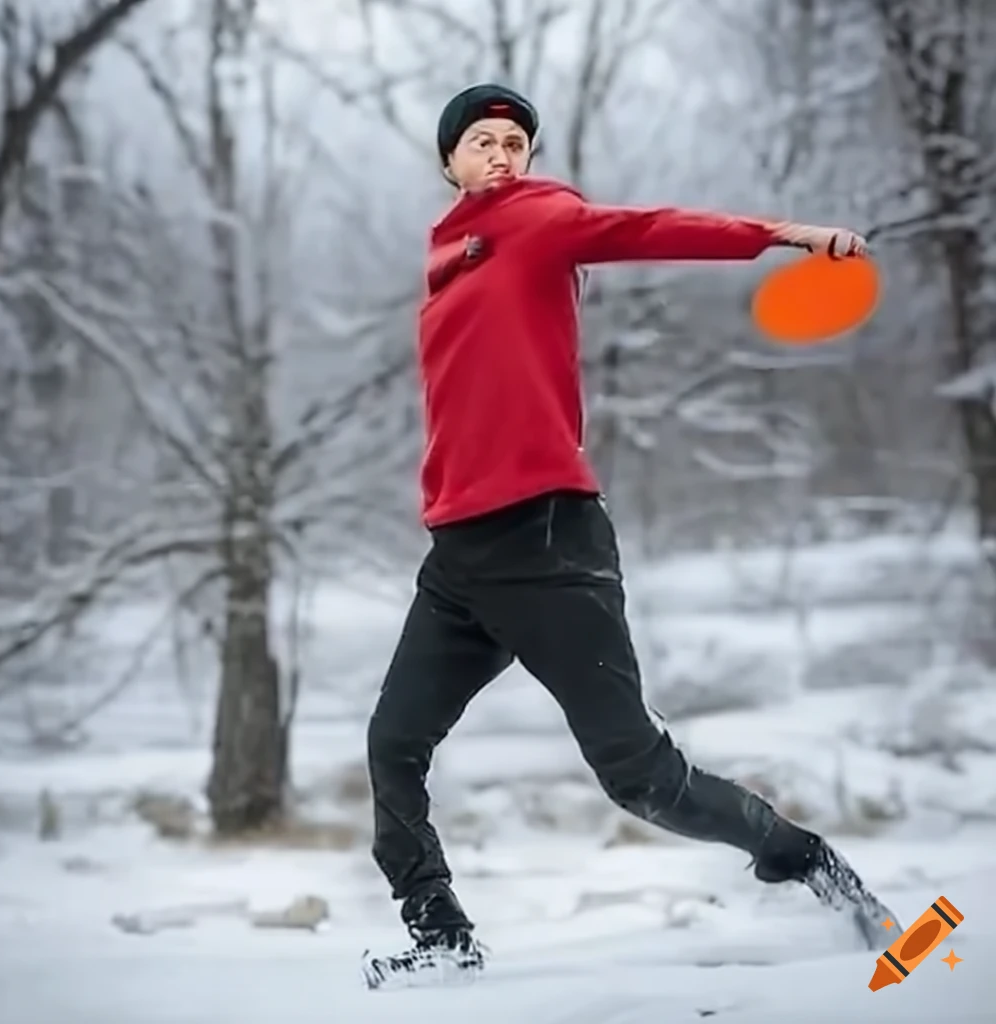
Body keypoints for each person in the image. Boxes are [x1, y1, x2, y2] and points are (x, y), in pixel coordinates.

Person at [361, 83, 898, 990]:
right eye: (482, 141)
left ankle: (805, 859)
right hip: (459, 553)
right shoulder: (447, 254)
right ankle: (441, 932)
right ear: (448, 161)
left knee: (638, 776)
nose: (503, 152)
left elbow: (648, 228)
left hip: (548, 542)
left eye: (514, 141)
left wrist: (782, 235)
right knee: (392, 743)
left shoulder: (541, 217)